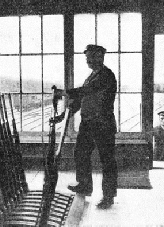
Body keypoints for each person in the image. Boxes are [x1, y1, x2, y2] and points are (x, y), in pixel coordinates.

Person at [52, 44, 118, 209]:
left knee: (107, 160)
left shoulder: (106, 75)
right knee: (80, 152)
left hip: (103, 123)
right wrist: (62, 116)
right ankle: (85, 185)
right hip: (88, 123)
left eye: (91, 57)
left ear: (99, 57)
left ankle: (108, 197)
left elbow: (86, 91)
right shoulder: (92, 76)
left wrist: (63, 92)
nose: (88, 60)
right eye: (87, 57)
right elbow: (81, 100)